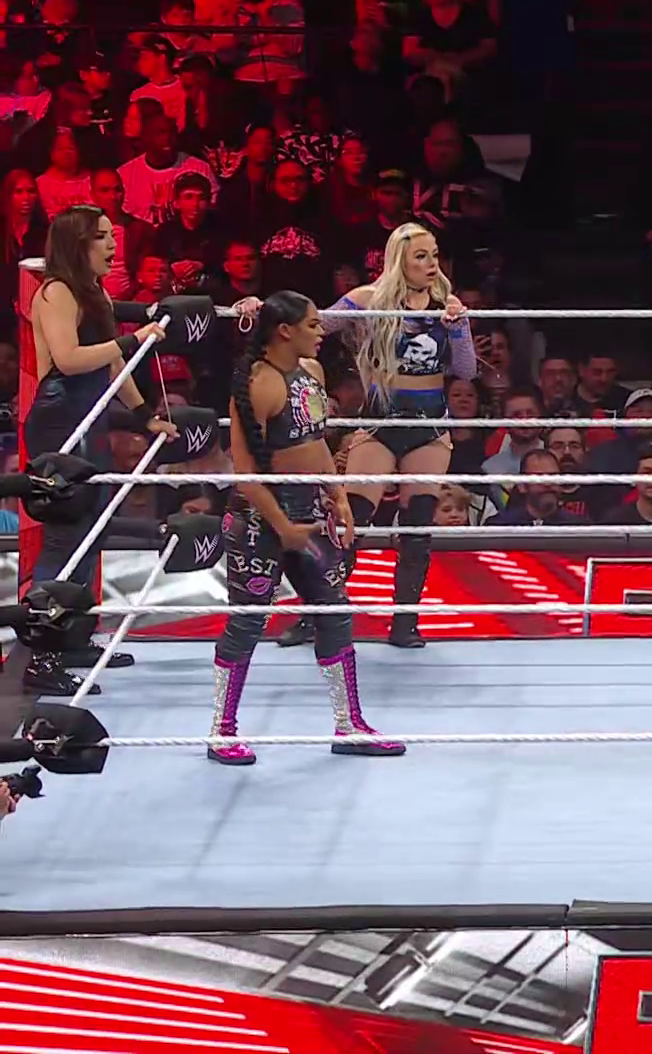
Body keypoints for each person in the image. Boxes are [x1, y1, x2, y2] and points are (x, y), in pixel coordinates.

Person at [212, 291, 403, 765]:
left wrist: (338, 496)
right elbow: (246, 475)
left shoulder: (311, 373)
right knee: (248, 620)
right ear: (285, 330)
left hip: (308, 510)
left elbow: (316, 442)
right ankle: (221, 731)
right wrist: (283, 527)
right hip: (260, 517)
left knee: (334, 610)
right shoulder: (258, 384)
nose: (322, 332)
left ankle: (349, 724)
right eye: (313, 325)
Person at [280, 223, 473, 649]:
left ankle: (405, 624)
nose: (431, 263)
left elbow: (466, 370)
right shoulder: (368, 300)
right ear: (399, 260)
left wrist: (459, 326)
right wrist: (268, 312)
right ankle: (315, 615)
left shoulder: (445, 302)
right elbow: (315, 324)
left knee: (417, 527)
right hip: (381, 422)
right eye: (420, 256)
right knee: (350, 522)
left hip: (428, 428)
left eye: (434, 254)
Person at [22, 205, 175, 696]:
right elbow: (68, 360)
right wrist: (132, 340)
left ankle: (70, 637)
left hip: (90, 419)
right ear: (78, 243)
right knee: (66, 538)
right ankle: (42, 656)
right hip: (59, 422)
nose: (113, 245)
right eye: (102, 237)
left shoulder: (96, 292)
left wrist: (144, 415)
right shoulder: (56, 292)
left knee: (92, 531)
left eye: (113, 235)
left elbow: (112, 369)